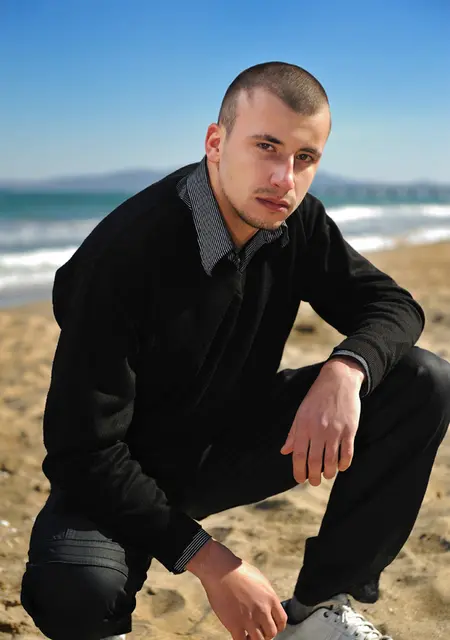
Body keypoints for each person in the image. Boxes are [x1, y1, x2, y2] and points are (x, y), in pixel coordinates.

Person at [20, 61, 450, 640]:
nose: (284, 179)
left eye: (305, 157)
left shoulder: (295, 222)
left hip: (231, 443)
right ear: (216, 143)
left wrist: (348, 369)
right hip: (122, 468)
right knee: (74, 590)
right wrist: (208, 558)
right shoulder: (124, 255)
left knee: (422, 381)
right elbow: (81, 452)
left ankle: (318, 612)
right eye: (266, 147)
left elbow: (394, 306)